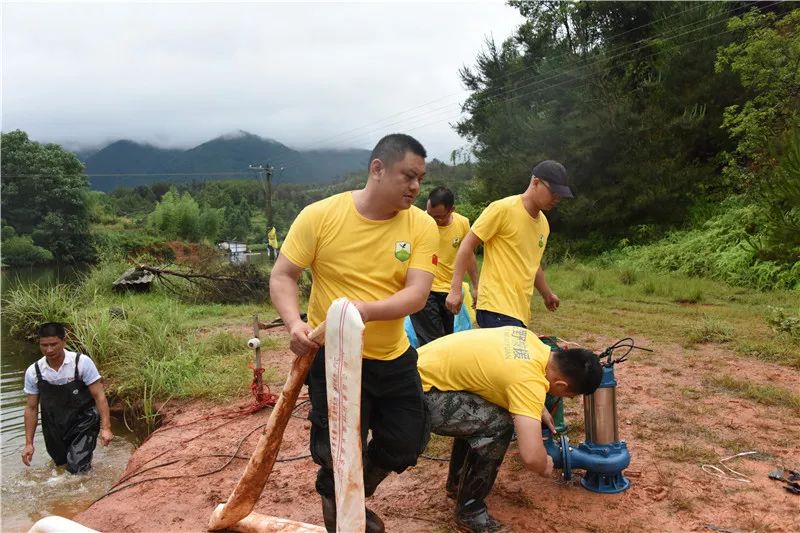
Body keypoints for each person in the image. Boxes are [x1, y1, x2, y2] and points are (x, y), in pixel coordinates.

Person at [269, 133, 438, 533]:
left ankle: (350, 495)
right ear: (377, 169)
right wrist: (295, 324)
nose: (416, 186)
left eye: (420, 178)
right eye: (408, 176)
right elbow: (283, 276)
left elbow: (416, 295)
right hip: (334, 360)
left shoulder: (421, 224)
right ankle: (343, 511)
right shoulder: (320, 216)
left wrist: (361, 311)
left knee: (408, 440)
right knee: (336, 450)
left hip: (393, 356)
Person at [417, 327, 602, 532]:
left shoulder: (531, 342)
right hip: (417, 395)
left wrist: (536, 408)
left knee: (482, 415)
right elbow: (531, 457)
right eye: (568, 396)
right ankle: (470, 511)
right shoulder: (528, 382)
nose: (564, 398)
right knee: (499, 424)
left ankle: (458, 483)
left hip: (414, 370)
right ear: (561, 385)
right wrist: (544, 464)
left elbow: (505, 372)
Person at [446, 160, 573, 329]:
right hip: (495, 307)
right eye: (553, 192)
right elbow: (467, 245)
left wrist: (547, 294)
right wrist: (455, 290)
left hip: (520, 311)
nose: (557, 199)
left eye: (560, 195)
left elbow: (533, 264)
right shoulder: (503, 209)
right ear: (535, 182)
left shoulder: (543, 224)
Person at [22, 322, 114, 474]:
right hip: (53, 427)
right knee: (61, 466)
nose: (49, 350)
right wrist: (28, 444)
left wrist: (106, 428)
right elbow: (31, 408)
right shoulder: (34, 371)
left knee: (77, 468)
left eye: (54, 344)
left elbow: (99, 396)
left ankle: (84, 495)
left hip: (84, 421)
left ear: (64, 341)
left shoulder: (81, 363)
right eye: (44, 345)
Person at [409, 186, 478, 346]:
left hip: (449, 291)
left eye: (438, 217)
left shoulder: (462, 223)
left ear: (452, 209)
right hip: (424, 289)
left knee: (447, 341)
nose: (432, 220)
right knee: (432, 342)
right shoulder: (420, 221)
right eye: (430, 215)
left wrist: (476, 286)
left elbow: (469, 255)